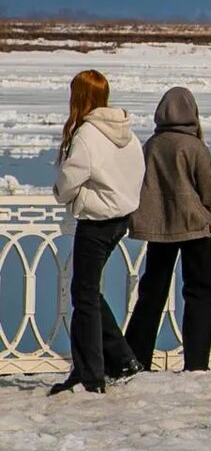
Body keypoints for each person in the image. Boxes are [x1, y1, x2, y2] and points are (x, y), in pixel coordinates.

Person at [50, 69, 145, 395]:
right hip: (119, 218)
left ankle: (92, 374)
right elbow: (138, 171)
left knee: (85, 296)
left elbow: (70, 179)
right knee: (87, 291)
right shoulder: (126, 133)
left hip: (95, 221)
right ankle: (118, 359)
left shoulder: (88, 135)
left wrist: (61, 192)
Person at [124, 87, 211, 372]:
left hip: (159, 228)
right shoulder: (193, 147)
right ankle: (196, 362)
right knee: (200, 292)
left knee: (152, 291)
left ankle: (136, 357)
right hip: (192, 228)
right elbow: (209, 192)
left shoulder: (152, 145)